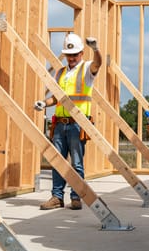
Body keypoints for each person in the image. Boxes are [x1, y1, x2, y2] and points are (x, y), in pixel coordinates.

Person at [34, 33, 102, 210]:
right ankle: (57, 197)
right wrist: (44, 103)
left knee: (76, 163)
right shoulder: (61, 73)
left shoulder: (86, 69)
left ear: (81, 53)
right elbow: (56, 98)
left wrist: (95, 49)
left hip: (77, 124)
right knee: (57, 161)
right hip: (59, 123)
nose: (71, 58)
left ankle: (76, 196)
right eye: (68, 55)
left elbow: (98, 64)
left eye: (74, 54)